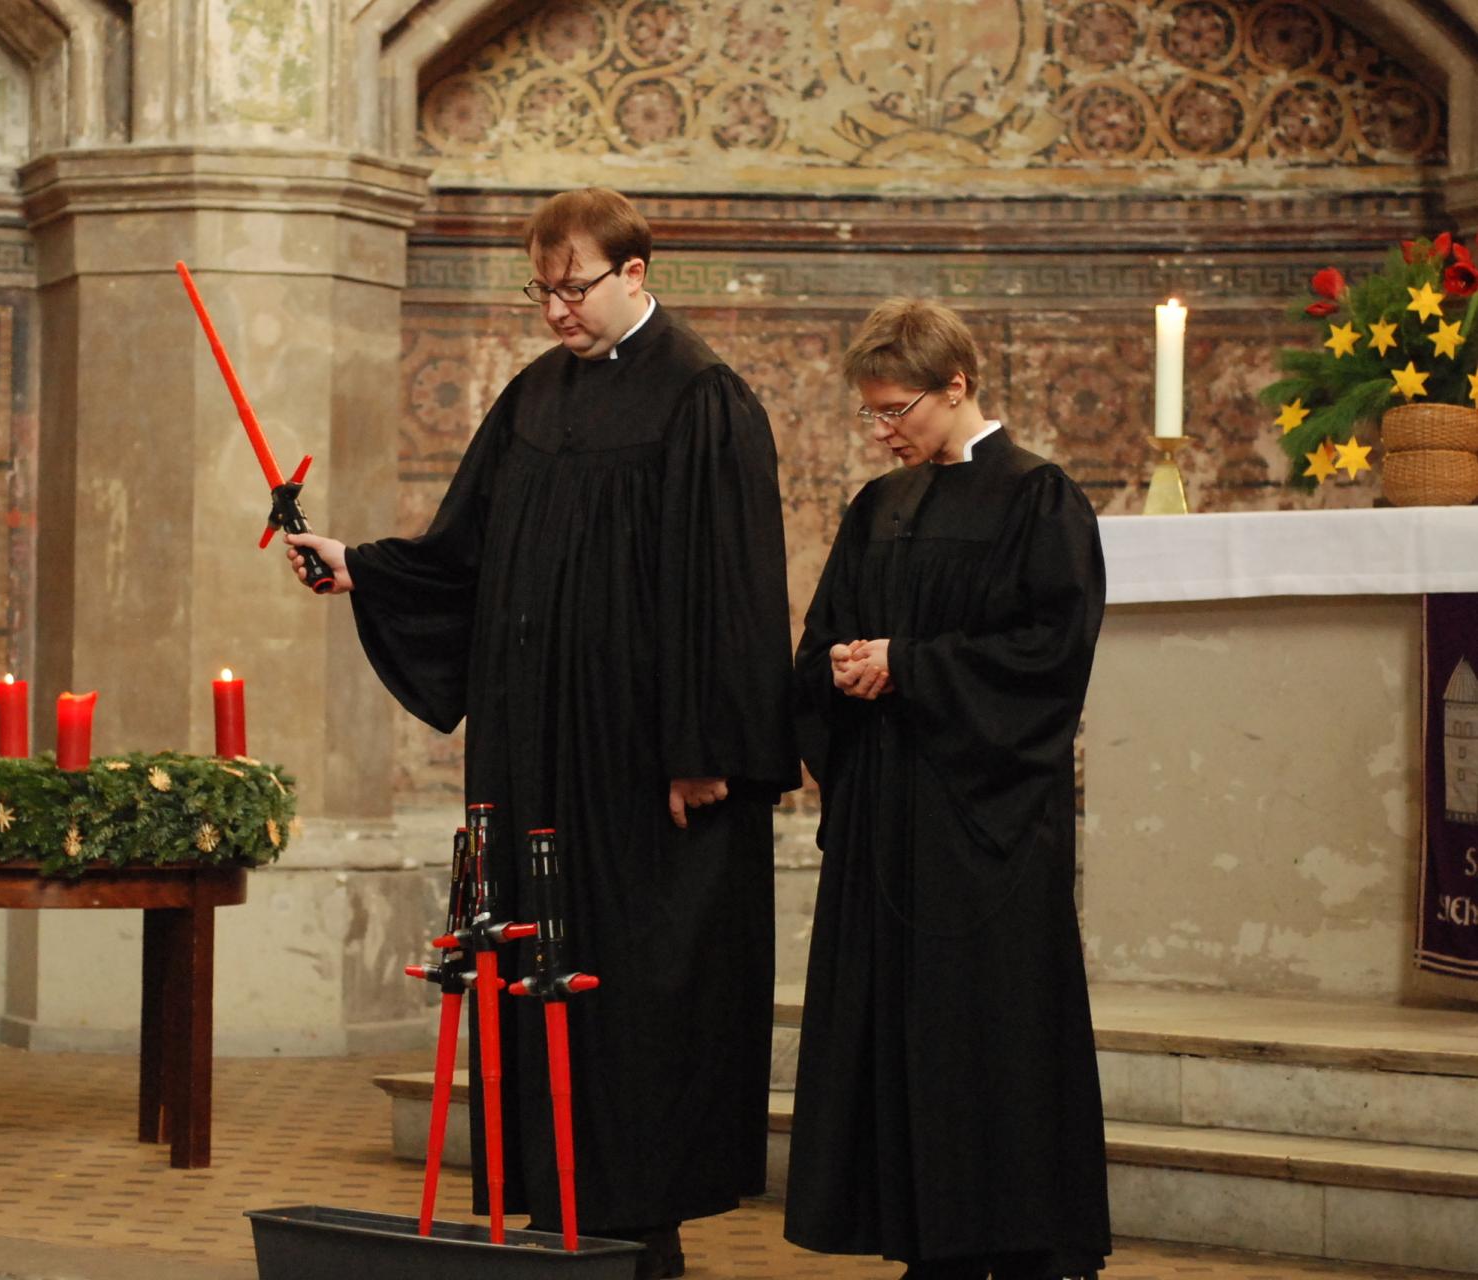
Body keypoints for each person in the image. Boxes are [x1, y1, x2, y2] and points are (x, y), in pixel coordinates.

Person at [287, 188, 800, 1280]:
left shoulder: (701, 396)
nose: (557, 309)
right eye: (543, 289)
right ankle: (551, 1203)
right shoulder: (531, 396)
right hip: (532, 752)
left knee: (636, 972)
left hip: (643, 761)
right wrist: (357, 564)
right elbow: (461, 552)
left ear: (635, 272)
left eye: (574, 287)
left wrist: (701, 743)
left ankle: (639, 1222)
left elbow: (733, 587)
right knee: (531, 960)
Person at [782, 298, 1111, 1280]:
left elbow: (1049, 655)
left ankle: (1021, 1238)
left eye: (897, 411)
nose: (882, 432)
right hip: (888, 813)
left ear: (957, 384)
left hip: (987, 823)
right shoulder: (876, 509)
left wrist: (912, 664)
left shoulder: (1036, 498)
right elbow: (819, 639)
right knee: (901, 1036)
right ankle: (925, 1236)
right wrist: (839, 666)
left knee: (994, 1032)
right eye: (869, 415)